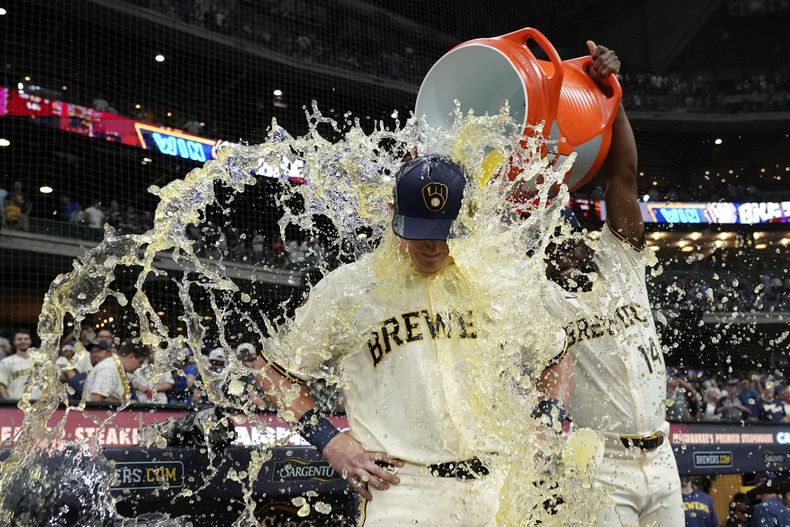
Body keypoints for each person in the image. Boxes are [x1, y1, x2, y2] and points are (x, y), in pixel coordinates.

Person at [243, 149, 570, 526]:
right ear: (391, 214)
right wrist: (330, 441)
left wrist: (547, 420)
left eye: (445, 234)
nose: (432, 246)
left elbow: (556, 353)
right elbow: (273, 370)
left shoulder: (493, 282)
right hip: (402, 490)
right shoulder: (351, 288)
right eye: (419, 233)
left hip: (496, 485)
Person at [542, 41, 684, 526]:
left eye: (578, 240)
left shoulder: (620, 261)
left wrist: (611, 97)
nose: (574, 247)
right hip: (598, 462)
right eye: (559, 244)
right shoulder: (542, 298)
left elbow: (623, 174)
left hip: (662, 457)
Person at [82, 342, 149, 403]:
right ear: (131, 356)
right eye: (140, 362)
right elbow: (96, 398)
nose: (140, 366)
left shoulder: (117, 367)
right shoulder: (109, 368)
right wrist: (124, 403)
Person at [0, 330, 40, 400]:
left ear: (30, 341)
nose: (23, 341)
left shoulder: (39, 361)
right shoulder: (6, 362)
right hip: (16, 404)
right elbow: (1, 386)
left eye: (26, 339)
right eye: (19, 339)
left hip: (37, 404)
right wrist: (8, 403)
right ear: (14, 342)